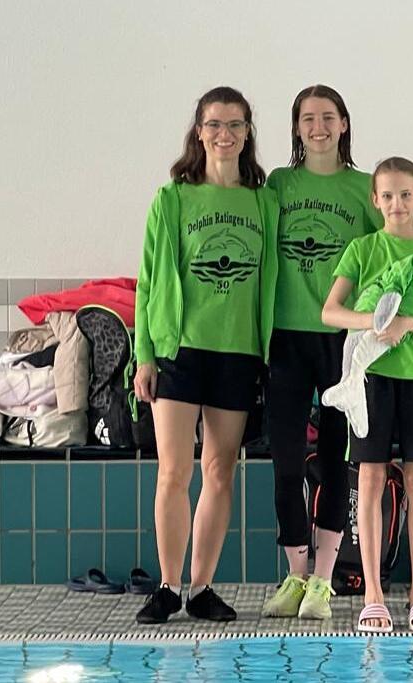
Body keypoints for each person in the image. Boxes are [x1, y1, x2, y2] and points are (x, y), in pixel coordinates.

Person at [133, 86, 278, 625]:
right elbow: (148, 284)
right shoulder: (172, 199)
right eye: (214, 124)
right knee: (173, 472)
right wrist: (144, 356)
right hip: (180, 350)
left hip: (238, 353)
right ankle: (169, 585)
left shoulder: (263, 201)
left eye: (235, 125)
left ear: (247, 133)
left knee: (219, 471)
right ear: (199, 131)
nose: (224, 134)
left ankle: (201, 588)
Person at [261, 85, 382, 621]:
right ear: (296, 128)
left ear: (345, 124)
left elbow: (388, 256)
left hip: (341, 342)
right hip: (286, 338)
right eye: (308, 119)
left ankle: (324, 582)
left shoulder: (365, 187)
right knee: (286, 461)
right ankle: (294, 575)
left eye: (327, 117)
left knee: (336, 461)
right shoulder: (279, 184)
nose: (318, 127)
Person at [321, 157, 413, 633]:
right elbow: (331, 312)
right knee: (370, 480)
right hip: (371, 380)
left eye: (405, 194)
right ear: (375, 200)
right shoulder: (362, 249)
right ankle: (373, 595)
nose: (397, 204)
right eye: (388, 195)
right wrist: (378, 324)